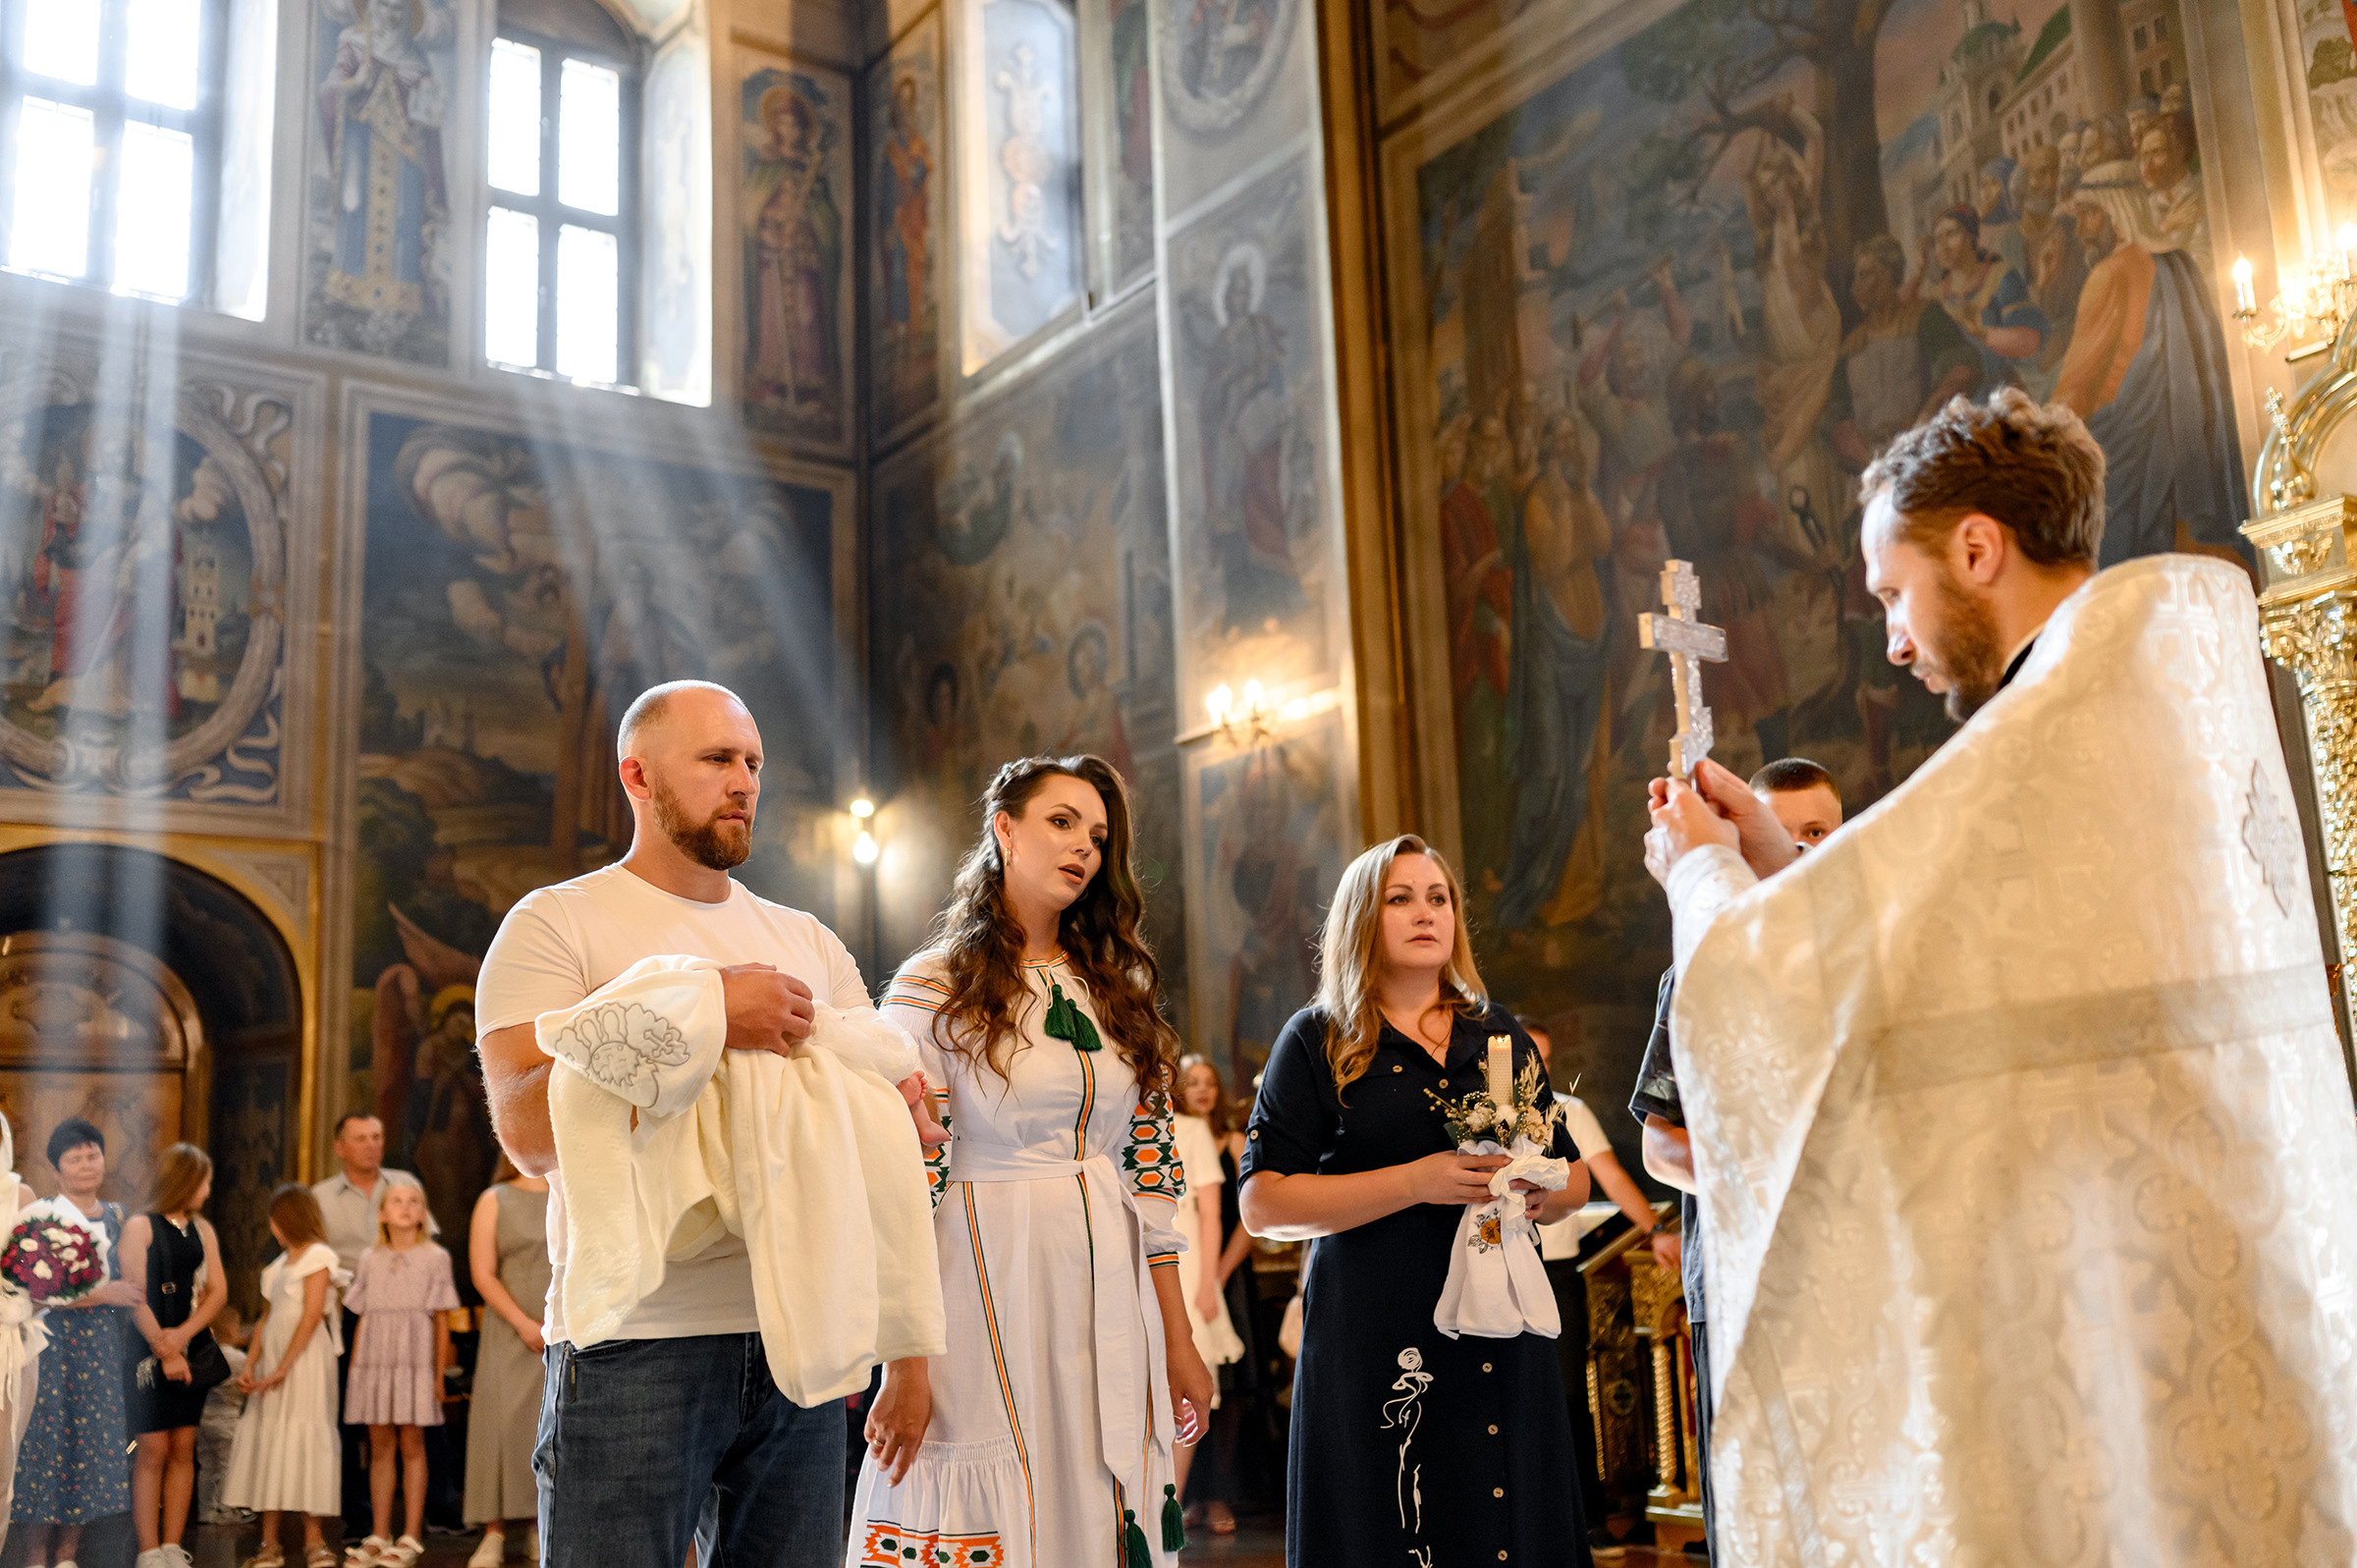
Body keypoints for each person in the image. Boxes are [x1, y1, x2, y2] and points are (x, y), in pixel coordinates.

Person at [1642, 389, 2357, 1561]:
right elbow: (1956, 958)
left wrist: (1706, 883)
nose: (1892, 640)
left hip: (2107, 1328)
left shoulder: (2053, 729)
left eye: (1891, 593)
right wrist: (1777, 862)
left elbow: (1767, 995)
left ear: (1978, 548)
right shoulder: (2145, 695)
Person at [474, 679, 879, 1568]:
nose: (744, 780)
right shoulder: (555, 924)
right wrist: (703, 1016)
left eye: (753, 762)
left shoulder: (805, 937)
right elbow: (531, 1134)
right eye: (716, 759)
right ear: (639, 775)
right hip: (631, 1339)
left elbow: (874, 1105)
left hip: (794, 1332)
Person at [849, 755, 1216, 1568]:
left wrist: (1179, 1337)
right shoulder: (929, 989)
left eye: (1097, 834)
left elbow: (1150, 1174)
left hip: (1111, 1286)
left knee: (1099, 1476)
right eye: (1061, 821)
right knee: (996, 1487)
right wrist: (902, 1359)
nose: (1083, 846)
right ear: (1004, 829)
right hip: (980, 1284)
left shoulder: (1116, 986)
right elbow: (900, 1181)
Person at [1239, 835, 1594, 1568]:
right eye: (1400, 898)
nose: (1424, 912)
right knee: (1396, 1520)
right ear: (1363, 916)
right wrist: (1415, 1180)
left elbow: (1575, 1180)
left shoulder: (1499, 1033)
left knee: (1507, 1523)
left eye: (1438, 898)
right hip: (1378, 1331)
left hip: (1502, 1327)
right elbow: (1264, 1203)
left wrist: (1534, 1193)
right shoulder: (1317, 1038)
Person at [1630, 755, 1842, 1559]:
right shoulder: (1697, 969)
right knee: (1764, 1507)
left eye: (1817, 832)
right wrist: (1786, 1180)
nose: (1801, 850)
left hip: (1852, 1268)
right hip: (1741, 1278)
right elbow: (1662, 1143)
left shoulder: (1860, 953)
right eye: (1780, 835)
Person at [1518, 1018, 1670, 1563]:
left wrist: (1654, 1231)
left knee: (1564, 1397)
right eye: (1527, 1056)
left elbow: (1608, 1177)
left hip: (1553, 1271)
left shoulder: (1568, 1111)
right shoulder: (1469, 1112)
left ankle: (1588, 1522)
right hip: (1488, 1268)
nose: (1536, 1068)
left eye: (1545, 1058)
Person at [12, 1118, 139, 1568]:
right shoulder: (41, 1214)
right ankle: (33, 1555)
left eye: (93, 1155)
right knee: (45, 1449)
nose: (86, 1165)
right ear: (55, 1168)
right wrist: (102, 1294)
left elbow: (134, 1285)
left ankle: (68, 1555)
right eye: (75, 1158)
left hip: (102, 1348)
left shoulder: (119, 1216)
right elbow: (31, 1288)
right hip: (50, 1346)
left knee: (89, 1448)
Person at [311, 1114, 434, 1542]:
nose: (371, 1145)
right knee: (354, 1415)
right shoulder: (321, 1196)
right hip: (349, 1307)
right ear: (340, 1146)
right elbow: (315, 1255)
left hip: (409, 1307)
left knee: (415, 1419)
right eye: (360, 1138)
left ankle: (430, 1515)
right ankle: (360, 1519)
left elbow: (427, 1240)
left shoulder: (402, 1184)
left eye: (377, 1137)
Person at [222, 1185, 347, 1568]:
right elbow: (265, 1319)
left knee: (307, 1436)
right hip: (274, 1360)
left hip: (305, 1361)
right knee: (271, 1441)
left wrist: (283, 1367)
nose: (272, 1226)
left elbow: (311, 1316)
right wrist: (251, 1364)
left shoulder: (319, 1256)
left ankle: (314, 1540)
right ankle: (268, 1541)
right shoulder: (275, 1267)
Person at [124, 1144, 229, 1568]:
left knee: (185, 1447)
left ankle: (172, 1544)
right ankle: (148, 1549)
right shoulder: (140, 1225)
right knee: (152, 1450)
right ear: (185, 1180)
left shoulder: (202, 1229)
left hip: (188, 1346)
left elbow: (218, 1291)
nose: (208, 1189)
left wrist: (182, 1337)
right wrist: (162, 1347)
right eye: (203, 1180)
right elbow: (133, 1293)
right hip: (146, 1351)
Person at [343, 1181, 457, 1568]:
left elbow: (442, 1320)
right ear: (382, 1214)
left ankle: (409, 1534)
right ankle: (379, 1533)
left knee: (412, 1444)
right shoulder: (369, 1258)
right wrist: (358, 1371)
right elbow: (361, 1319)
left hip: (415, 1361)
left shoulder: (435, 1257)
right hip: (375, 1362)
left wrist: (438, 1374)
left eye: (414, 1202)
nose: (406, 1207)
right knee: (379, 1448)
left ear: (423, 1213)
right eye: (397, 1201)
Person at [1176, 1054, 1259, 1538]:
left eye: (1210, 1082)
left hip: (1209, 1270)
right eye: (1193, 1082)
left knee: (1215, 1394)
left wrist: (1213, 1279)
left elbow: (1222, 1216)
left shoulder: (1213, 1139)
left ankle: (1190, 1497)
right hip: (1173, 1264)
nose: (1200, 1089)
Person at [462, 1160, 548, 1568]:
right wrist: (523, 1323)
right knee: (502, 1424)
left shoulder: (568, 1192)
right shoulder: (494, 1199)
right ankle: (493, 1533)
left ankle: (539, 1526)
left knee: (543, 1427)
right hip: (511, 1327)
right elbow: (483, 1273)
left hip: (560, 1328)